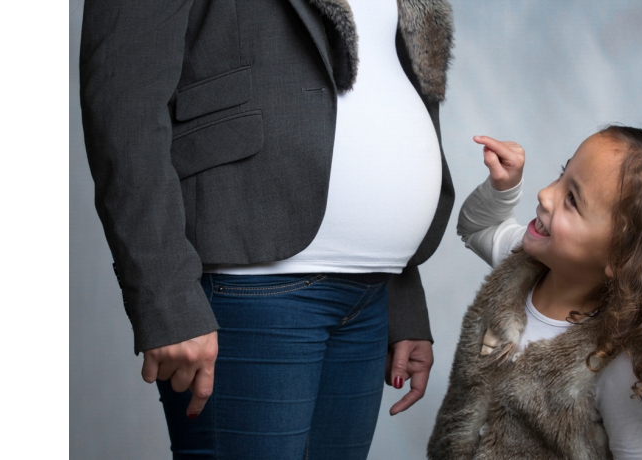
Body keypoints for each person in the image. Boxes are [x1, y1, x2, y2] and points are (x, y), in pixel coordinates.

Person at [79, 0, 454, 458]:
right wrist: (164, 299)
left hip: (370, 300)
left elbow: (385, 74)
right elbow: (123, 100)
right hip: (248, 287)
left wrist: (401, 296)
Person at [428, 127, 642, 459]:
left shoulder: (614, 364)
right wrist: (503, 189)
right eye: (561, 175)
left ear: (622, 258)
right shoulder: (520, 263)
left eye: (571, 200)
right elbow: (477, 227)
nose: (544, 194)